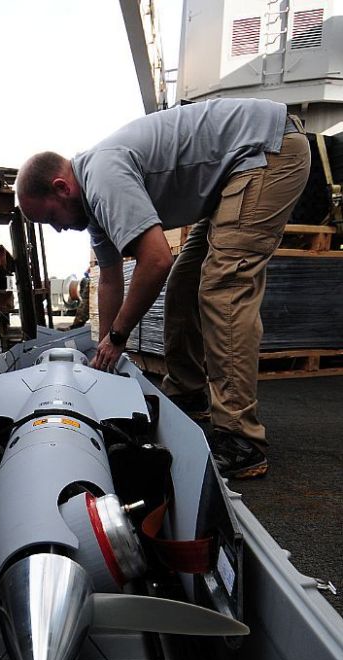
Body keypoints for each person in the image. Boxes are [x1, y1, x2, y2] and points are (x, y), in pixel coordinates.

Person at [15, 98, 310, 479]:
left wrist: (118, 337)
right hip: (235, 171)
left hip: (266, 152)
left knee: (225, 288)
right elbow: (109, 276)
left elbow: (155, 261)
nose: (57, 229)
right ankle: (188, 393)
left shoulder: (103, 176)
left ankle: (241, 440)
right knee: (184, 286)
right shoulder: (93, 207)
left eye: (51, 218)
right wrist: (104, 359)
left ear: (60, 187)